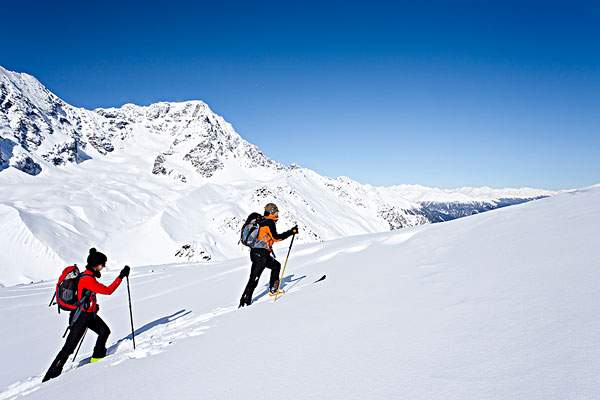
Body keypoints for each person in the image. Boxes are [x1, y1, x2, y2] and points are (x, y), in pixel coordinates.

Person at [43, 248, 130, 382]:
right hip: (81, 318)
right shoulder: (88, 279)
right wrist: (121, 276)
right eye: (102, 264)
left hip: (89, 315)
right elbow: (108, 291)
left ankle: (97, 359)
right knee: (69, 348)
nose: (103, 267)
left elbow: (87, 295)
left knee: (104, 331)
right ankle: (50, 377)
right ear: (96, 265)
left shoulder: (87, 275)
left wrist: (93, 306)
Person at [239, 203, 298, 308]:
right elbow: (276, 238)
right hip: (261, 255)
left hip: (258, 253)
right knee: (254, 279)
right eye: (276, 212)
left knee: (276, 266)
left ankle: (273, 289)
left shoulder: (261, 221)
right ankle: (245, 303)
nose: (277, 214)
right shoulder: (269, 222)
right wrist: (291, 232)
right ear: (271, 213)